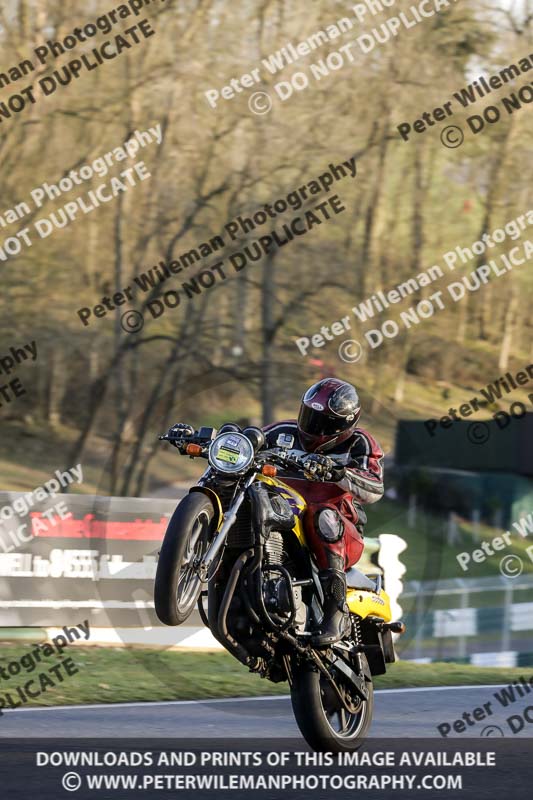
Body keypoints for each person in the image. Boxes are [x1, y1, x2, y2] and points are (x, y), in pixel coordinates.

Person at [263, 378, 384, 647]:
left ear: (344, 424)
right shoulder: (281, 431)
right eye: (310, 416)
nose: (312, 426)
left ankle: (335, 611)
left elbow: (375, 488)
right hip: (285, 516)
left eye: (323, 422)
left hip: (339, 529)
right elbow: (251, 444)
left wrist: (339, 472)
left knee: (322, 514)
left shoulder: (359, 443)